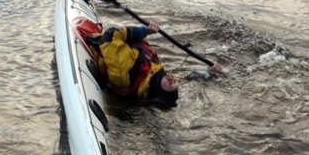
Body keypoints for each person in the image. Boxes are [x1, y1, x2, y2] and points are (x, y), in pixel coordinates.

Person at [79, 19, 223, 108]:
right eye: (174, 83)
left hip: (88, 39)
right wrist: (209, 71)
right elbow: (186, 77)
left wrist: (144, 31)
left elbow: (110, 35)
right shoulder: (154, 77)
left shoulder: (125, 73)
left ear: (159, 92)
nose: (172, 79)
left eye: (170, 84)